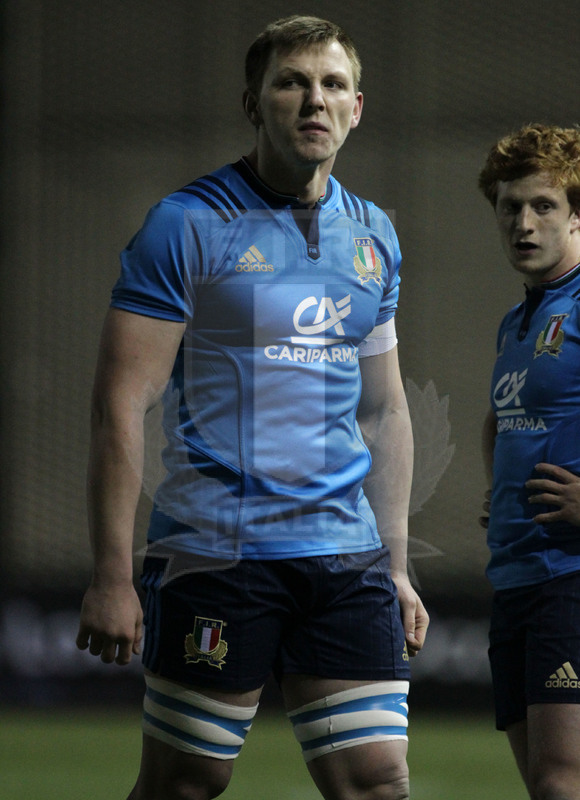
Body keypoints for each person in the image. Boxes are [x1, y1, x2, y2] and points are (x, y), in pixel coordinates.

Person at [76, 15, 428, 800]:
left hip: (346, 559)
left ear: (356, 107)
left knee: (376, 782)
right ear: (253, 103)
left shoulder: (374, 235)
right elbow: (119, 404)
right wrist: (111, 575)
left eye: (333, 84)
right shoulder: (185, 224)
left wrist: (397, 566)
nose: (314, 100)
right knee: (186, 783)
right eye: (291, 83)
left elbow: (384, 413)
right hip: (218, 556)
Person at [479, 122, 580, 800]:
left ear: (577, 214)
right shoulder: (516, 322)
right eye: (510, 206)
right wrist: (502, 491)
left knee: (560, 783)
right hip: (517, 579)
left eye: (544, 205)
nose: (524, 222)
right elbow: (499, 419)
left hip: (570, 575)